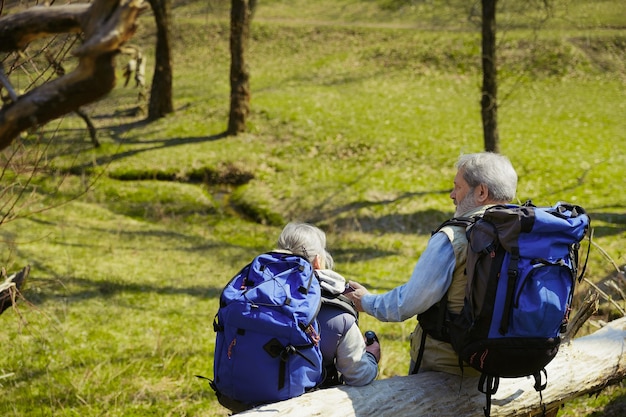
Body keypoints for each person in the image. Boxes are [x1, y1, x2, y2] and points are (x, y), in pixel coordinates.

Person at [344, 152, 518, 375]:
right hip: (500, 363)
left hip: (446, 368)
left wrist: (365, 301)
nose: (452, 195)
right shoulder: (522, 234)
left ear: (481, 192)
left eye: (458, 187)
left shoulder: (455, 238)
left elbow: (407, 303)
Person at [276, 222, 380, 386]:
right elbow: (359, 375)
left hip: (244, 394)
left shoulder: (253, 292)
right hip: (307, 404)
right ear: (318, 261)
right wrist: (371, 356)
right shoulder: (339, 316)